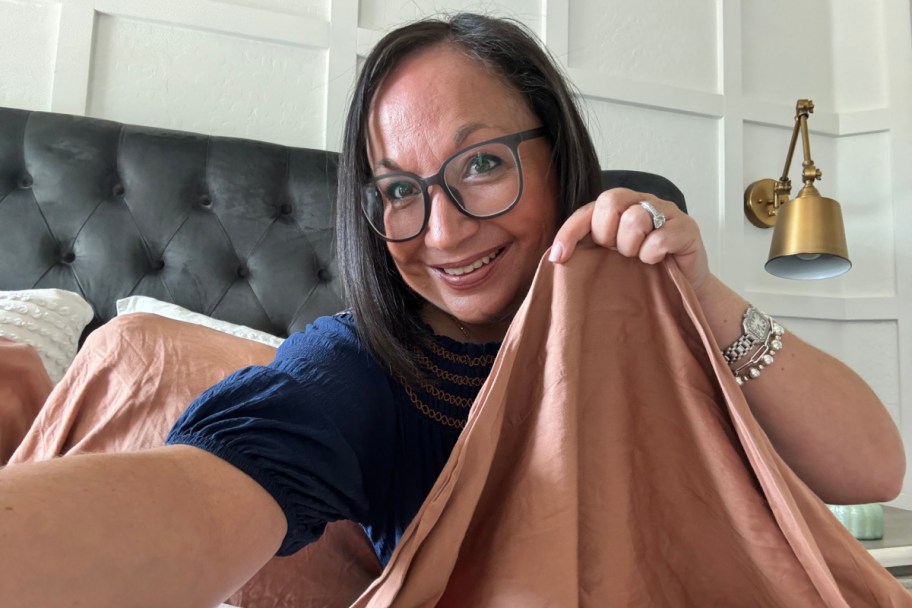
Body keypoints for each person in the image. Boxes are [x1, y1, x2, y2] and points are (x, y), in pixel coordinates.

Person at [0, 12, 904, 607]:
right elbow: (210, 491)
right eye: (399, 189)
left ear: (557, 154)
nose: (441, 231)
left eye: (481, 164)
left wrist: (698, 296)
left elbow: (874, 468)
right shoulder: (358, 369)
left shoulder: (643, 308)